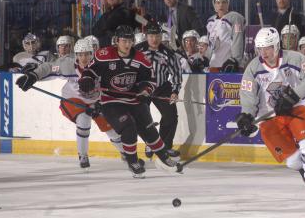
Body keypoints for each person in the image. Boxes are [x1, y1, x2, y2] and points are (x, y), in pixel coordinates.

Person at [236, 27, 305, 199]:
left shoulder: (295, 58)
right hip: (270, 118)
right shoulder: (253, 68)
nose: (264, 52)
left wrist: (293, 95)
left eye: (268, 47)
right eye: (260, 48)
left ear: (277, 45)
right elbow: (247, 95)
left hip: (296, 109)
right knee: (293, 161)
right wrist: (246, 115)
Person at [78, 25, 181, 177]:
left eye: (130, 41)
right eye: (124, 41)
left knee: (149, 129)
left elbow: (150, 80)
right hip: (111, 101)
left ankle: (164, 158)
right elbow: (90, 70)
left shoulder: (141, 58)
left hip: (134, 100)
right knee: (128, 127)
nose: (127, 44)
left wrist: (145, 91)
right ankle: (132, 161)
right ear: (117, 41)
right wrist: (86, 79)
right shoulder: (104, 54)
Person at [15, 38, 124, 168]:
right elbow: (48, 67)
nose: (83, 58)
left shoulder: (102, 66)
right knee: (84, 120)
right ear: (75, 55)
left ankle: (126, 153)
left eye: (87, 54)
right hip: (73, 99)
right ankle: (83, 156)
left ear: (92, 53)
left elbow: (112, 86)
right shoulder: (67, 64)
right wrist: (33, 75)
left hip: (96, 101)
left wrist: (103, 102)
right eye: (80, 54)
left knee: (110, 128)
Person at [135, 23, 183, 158]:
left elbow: (176, 73)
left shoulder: (168, 53)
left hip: (162, 88)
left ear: (161, 36)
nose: (154, 39)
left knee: (171, 117)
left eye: (157, 36)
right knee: (143, 118)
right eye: (151, 36)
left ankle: (165, 147)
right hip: (142, 88)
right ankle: (150, 143)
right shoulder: (137, 50)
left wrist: (175, 91)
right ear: (146, 36)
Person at [206, 0, 245, 72]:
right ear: (214, 4)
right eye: (218, 2)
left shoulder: (234, 17)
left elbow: (238, 40)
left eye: (224, 2)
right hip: (214, 64)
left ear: (228, 3)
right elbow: (210, 44)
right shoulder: (210, 21)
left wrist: (235, 60)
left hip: (230, 64)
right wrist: (206, 58)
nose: (221, 5)